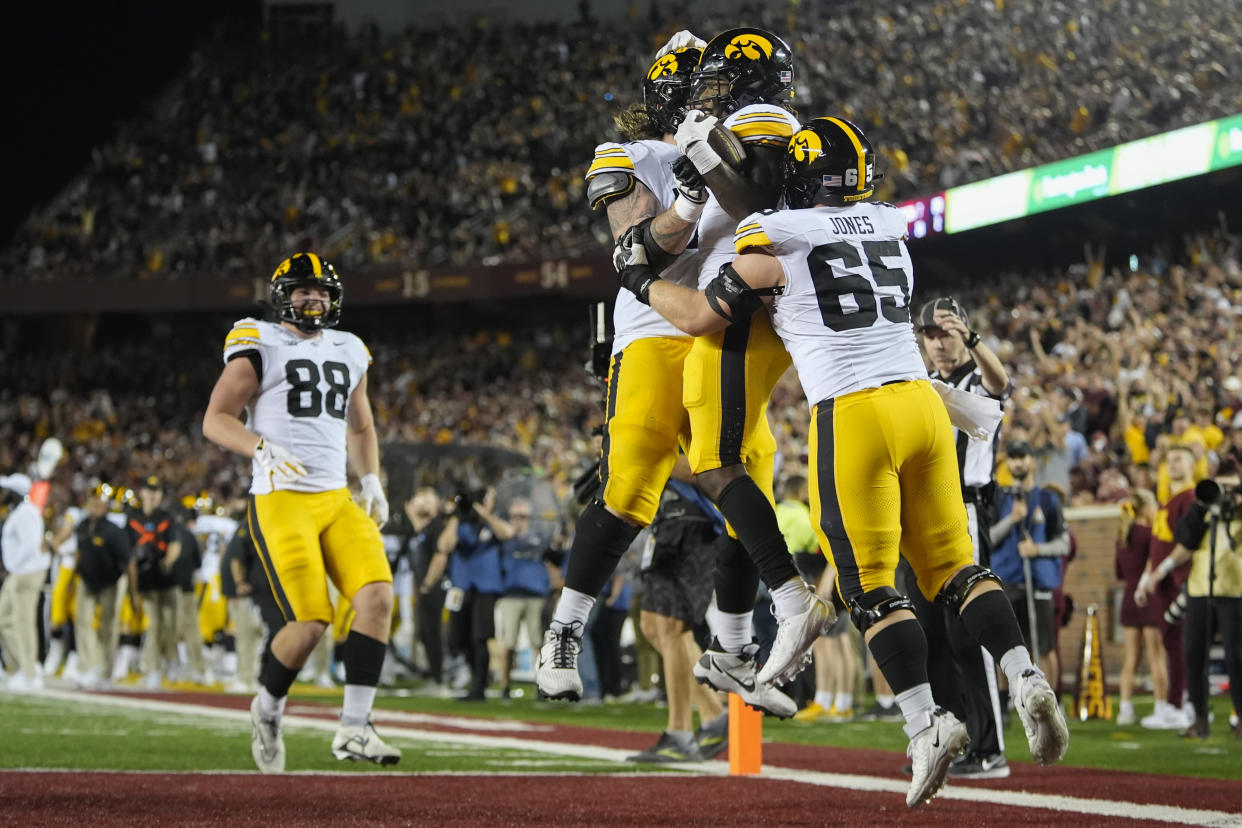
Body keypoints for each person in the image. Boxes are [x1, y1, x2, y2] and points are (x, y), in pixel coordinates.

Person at [617, 116, 1069, 808]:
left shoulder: (776, 235)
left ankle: (925, 727)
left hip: (854, 414)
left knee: (869, 589)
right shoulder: (890, 225)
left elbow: (704, 316)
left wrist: (641, 281)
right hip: (920, 402)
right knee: (956, 567)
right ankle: (1024, 675)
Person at [535, 36, 806, 718]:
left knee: (751, 474)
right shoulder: (628, 155)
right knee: (631, 477)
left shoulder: (743, 134)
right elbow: (634, 251)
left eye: (711, 84)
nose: (702, 96)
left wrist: (718, 156)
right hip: (657, 325)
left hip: (727, 319)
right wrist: (686, 203)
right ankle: (565, 631)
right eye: (692, 84)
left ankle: (738, 652)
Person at [202, 252, 400, 771]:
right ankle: (267, 708)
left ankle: (355, 728)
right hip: (281, 497)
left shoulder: (350, 348)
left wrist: (373, 480)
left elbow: (361, 427)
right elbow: (216, 418)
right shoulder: (258, 340)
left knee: (378, 597)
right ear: (282, 295)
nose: (314, 299)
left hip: (336, 496)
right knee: (311, 621)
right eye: (303, 290)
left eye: (322, 292)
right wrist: (258, 448)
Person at [911, 296, 1011, 778]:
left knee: (967, 636)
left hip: (963, 511)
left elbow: (1000, 384)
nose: (939, 343)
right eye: (931, 334)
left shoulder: (974, 379)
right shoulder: (915, 382)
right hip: (918, 518)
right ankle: (955, 740)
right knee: (928, 638)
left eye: (947, 333)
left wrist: (973, 342)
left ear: (964, 334)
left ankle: (991, 748)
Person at [629, 460, 728, 762]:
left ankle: (680, 733)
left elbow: (711, 470)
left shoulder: (686, 418)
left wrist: (645, 455)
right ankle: (714, 714)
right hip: (665, 524)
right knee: (651, 625)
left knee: (672, 627)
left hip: (693, 526)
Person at [1160, 477, 1242, 739]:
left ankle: (1240, 716)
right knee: (1193, 656)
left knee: (1237, 658)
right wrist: (1199, 507)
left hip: (1235, 590)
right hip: (1199, 590)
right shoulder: (1205, 513)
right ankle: (1199, 718)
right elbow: (1184, 538)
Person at [989, 442, 1071, 684]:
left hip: (1038, 582)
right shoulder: (999, 498)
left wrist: (1037, 549)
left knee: (1045, 647)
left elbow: (1063, 543)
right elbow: (988, 539)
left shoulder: (1047, 499)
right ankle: (1005, 702)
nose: (1018, 462)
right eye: (1013, 457)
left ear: (1032, 460)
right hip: (1007, 580)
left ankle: (1051, 701)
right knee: (1004, 648)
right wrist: (1012, 520)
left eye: (1022, 456)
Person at [1135, 442, 1197, 729]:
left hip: (1178, 580)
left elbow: (1187, 544)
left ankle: (1179, 704)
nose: (1173, 465)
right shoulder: (1165, 500)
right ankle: (1179, 702)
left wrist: (1160, 573)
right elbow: (1157, 547)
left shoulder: (1190, 497)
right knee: (1170, 642)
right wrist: (1146, 577)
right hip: (1162, 580)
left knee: (1177, 643)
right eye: (1169, 460)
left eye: (1179, 459)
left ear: (1192, 464)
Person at [73, 483, 134, 688]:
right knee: (83, 622)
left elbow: (128, 563)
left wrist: (133, 595)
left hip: (109, 582)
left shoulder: (114, 531)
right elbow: (79, 554)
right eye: (92, 500)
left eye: (99, 501)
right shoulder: (82, 526)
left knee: (107, 627)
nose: (94, 504)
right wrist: (74, 577)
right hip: (86, 580)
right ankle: (89, 666)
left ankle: (106, 672)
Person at [1114, 488, 1166, 726]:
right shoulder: (1151, 533)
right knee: (1157, 657)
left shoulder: (1122, 535)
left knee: (1130, 659)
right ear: (1145, 509)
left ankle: (1125, 710)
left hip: (1128, 598)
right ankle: (1161, 706)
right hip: (1148, 596)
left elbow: (1118, 572)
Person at [125, 474, 181, 688]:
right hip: (145, 580)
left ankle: (169, 662)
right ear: (142, 492)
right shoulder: (132, 517)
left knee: (169, 626)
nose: (152, 495)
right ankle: (153, 668)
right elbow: (128, 553)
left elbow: (175, 545)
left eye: (156, 491)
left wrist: (167, 562)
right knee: (154, 625)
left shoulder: (167, 517)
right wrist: (132, 585)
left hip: (166, 579)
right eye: (149, 490)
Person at [495, 498, 550, 698]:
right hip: (510, 595)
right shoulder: (504, 539)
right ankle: (504, 685)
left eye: (523, 516)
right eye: (515, 516)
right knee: (508, 643)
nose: (518, 520)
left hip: (535, 595)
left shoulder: (539, 539)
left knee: (537, 642)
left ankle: (541, 684)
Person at [0, 473, 50, 690]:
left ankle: (30, 673)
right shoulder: (21, 512)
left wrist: (14, 567)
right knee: (4, 619)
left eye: (6, 491)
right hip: (20, 572)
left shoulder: (26, 513)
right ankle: (26, 665)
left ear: (15, 493)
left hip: (26, 572)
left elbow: (31, 546)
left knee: (23, 622)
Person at [405, 487, 454, 692]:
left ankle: (439, 678)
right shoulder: (422, 529)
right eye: (419, 498)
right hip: (423, 587)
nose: (422, 502)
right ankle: (436, 675)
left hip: (434, 587)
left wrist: (428, 583)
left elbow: (439, 555)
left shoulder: (437, 526)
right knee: (425, 634)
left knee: (433, 633)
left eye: (428, 498)